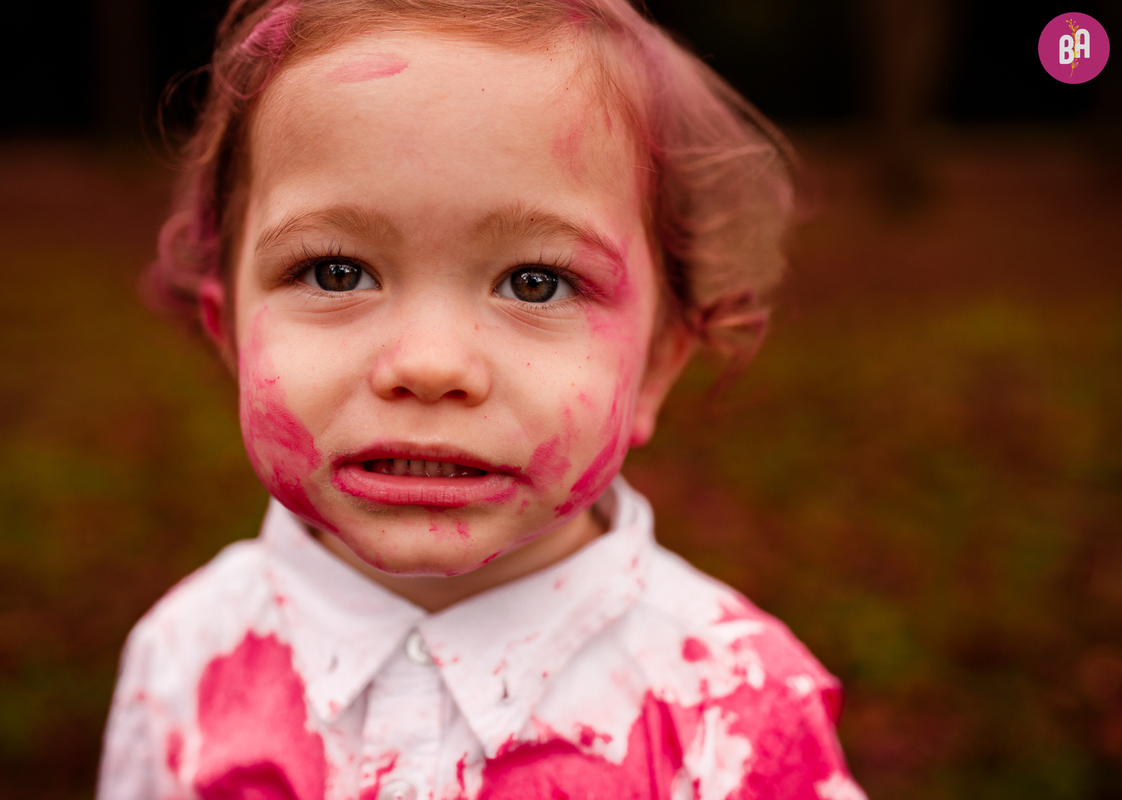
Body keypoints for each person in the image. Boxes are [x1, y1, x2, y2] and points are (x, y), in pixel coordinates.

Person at [98, 1, 866, 798]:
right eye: (336, 272)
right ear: (231, 338)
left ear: (657, 367)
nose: (430, 366)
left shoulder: (734, 707)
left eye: (536, 283)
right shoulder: (184, 655)